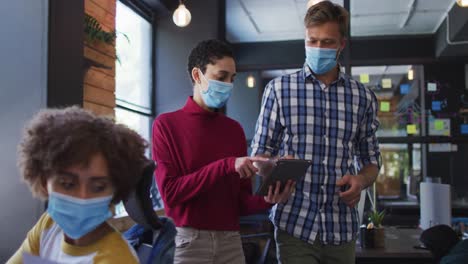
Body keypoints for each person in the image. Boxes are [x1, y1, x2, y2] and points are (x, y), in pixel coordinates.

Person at [251, 1, 381, 263]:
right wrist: (273, 169)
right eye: (312, 41)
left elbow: (371, 162)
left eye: (327, 42)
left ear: (341, 45)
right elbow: (258, 156)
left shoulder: (363, 97)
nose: (318, 48)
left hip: (341, 227)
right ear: (304, 39)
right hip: (294, 224)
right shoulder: (278, 90)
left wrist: (361, 181)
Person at [151, 39, 294, 264]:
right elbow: (170, 193)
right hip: (188, 243)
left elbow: (239, 202)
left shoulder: (234, 130)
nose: (228, 84)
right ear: (198, 76)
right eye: (221, 77)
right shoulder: (166, 125)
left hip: (231, 243)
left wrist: (270, 199)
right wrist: (227, 165)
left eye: (232, 78)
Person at [8, 106, 149, 264]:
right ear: (43, 182)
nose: (83, 197)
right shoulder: (49, 225)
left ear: (115, 190)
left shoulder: (116, 260)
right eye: (67, 184)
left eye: (98, 187)